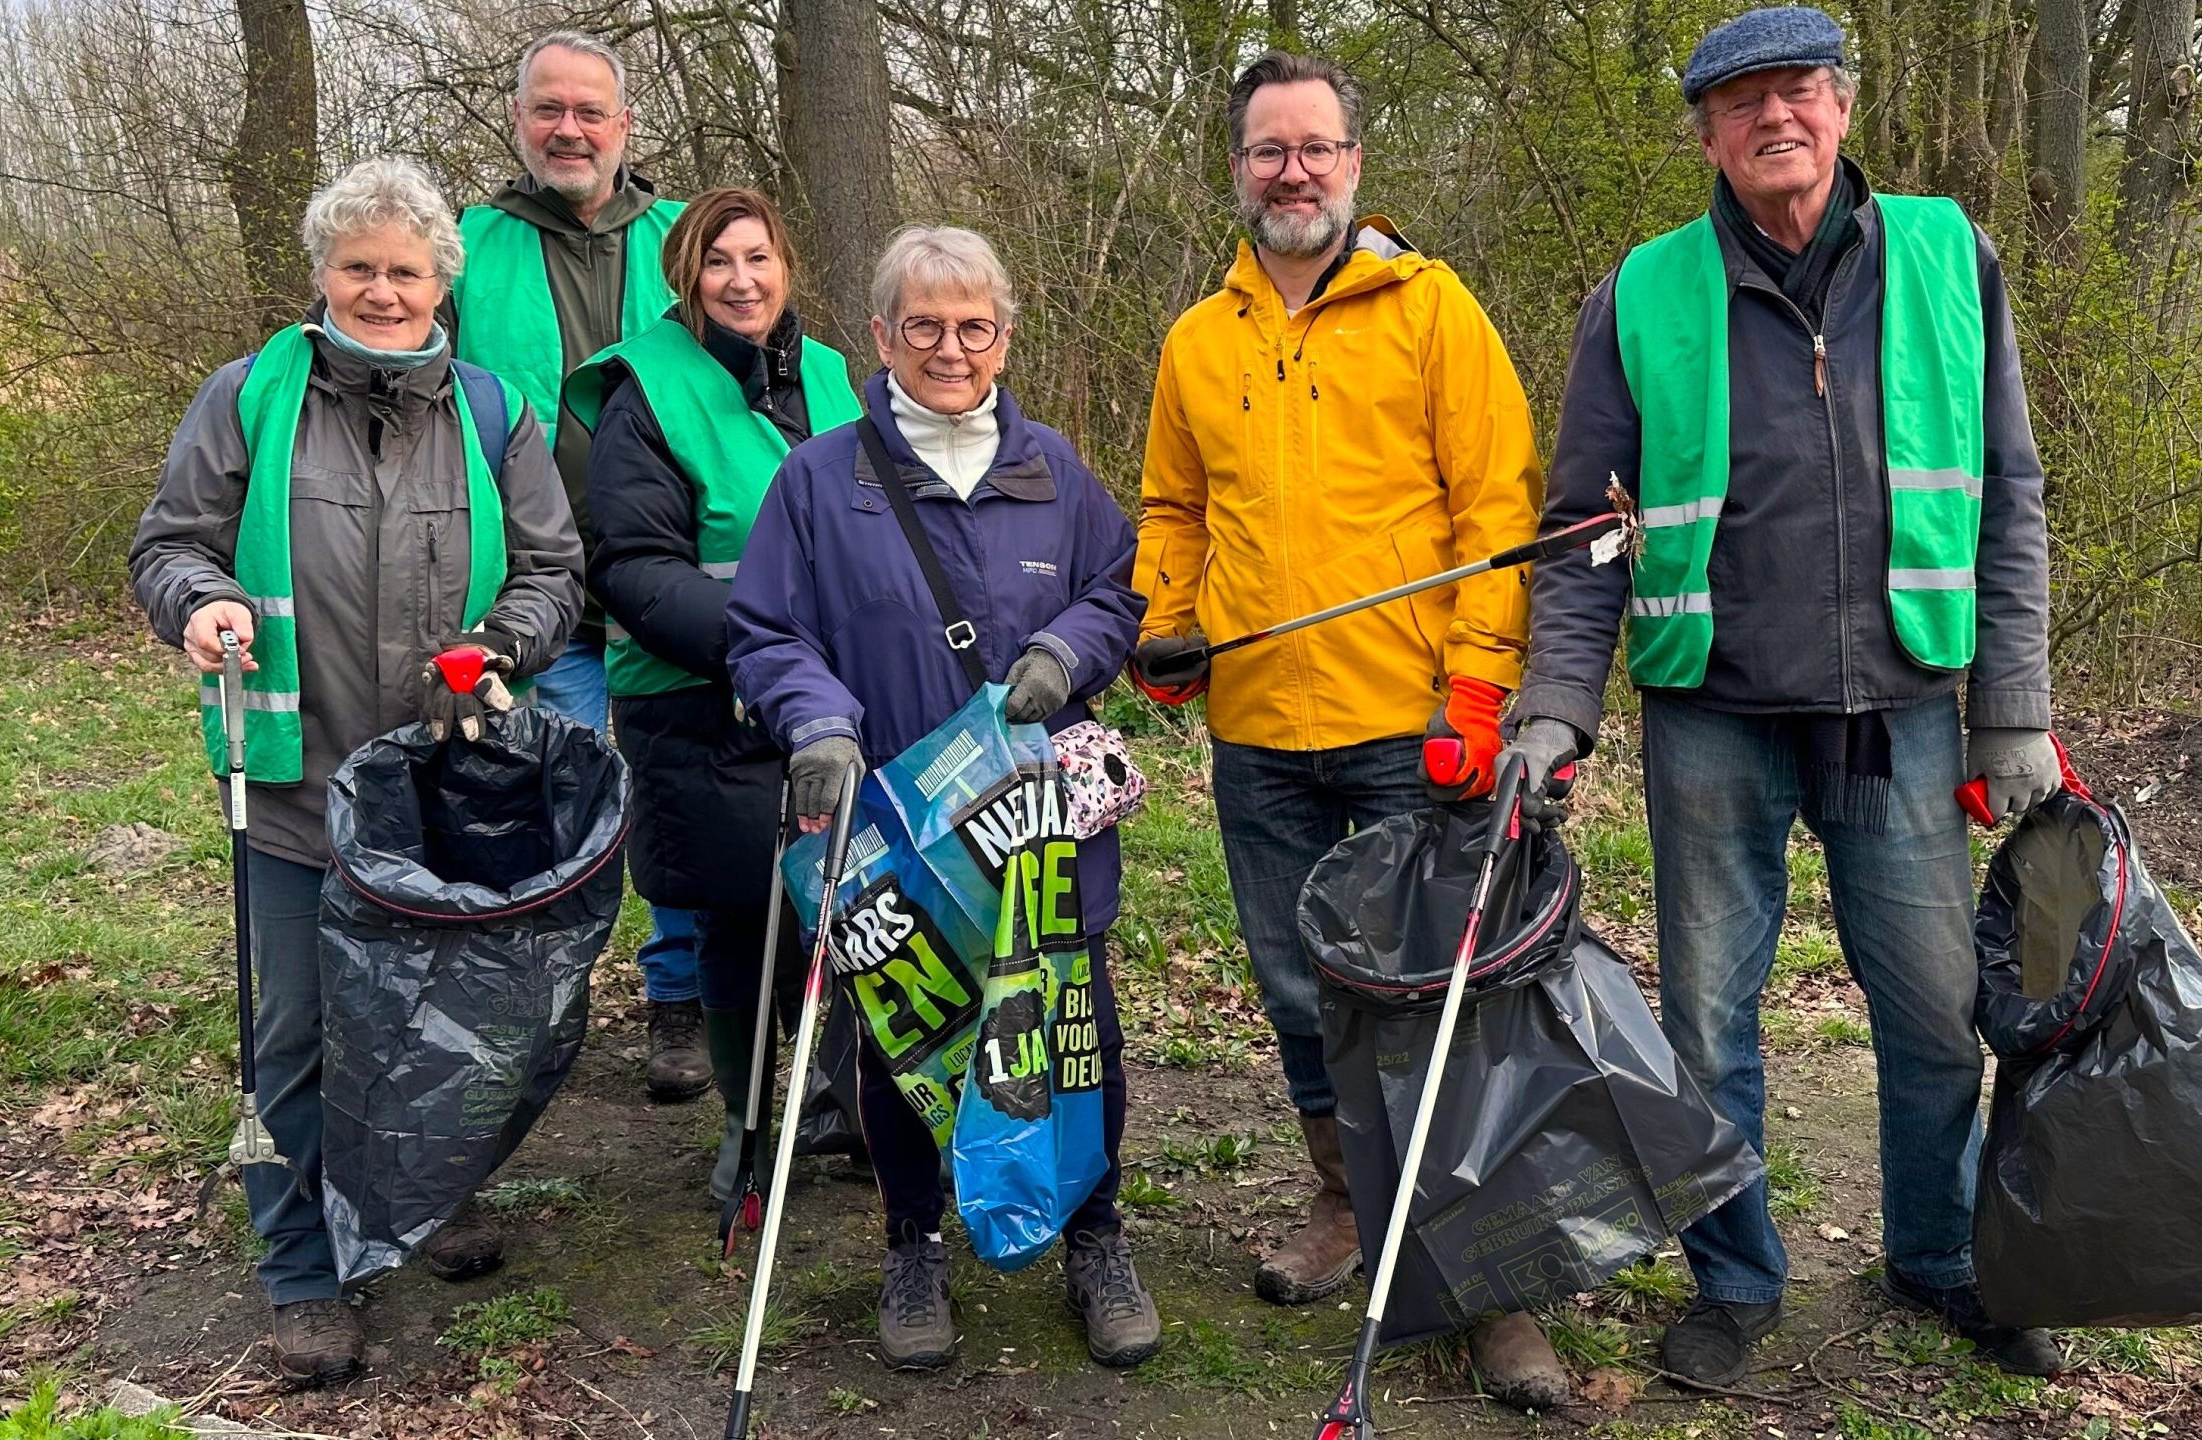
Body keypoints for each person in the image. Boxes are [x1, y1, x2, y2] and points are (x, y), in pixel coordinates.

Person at [1498, 5, 2064, 1390]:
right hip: (1713, 714)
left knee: (1937, 1012)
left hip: (1906, 706)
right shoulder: (1641, 292)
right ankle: (1737, 1278)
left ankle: (1940, 1258)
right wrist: (1555, 704)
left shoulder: (1947, 255)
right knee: (1706, 1023)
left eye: (1799, 91)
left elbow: (2011, 495)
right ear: (1706, 132)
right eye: (1742, 102)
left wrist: (2014, 703)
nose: (1776, 120)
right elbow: (1585, 532)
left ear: (1845, 107)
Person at [1124, 50, 1566, 1410]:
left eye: (1316, 147)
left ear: (1357, 164)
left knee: (1440, 1006)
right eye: (1269, 150)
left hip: (1409, 731)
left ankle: (1485, 1280)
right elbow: (1173, 513)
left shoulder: (1433, 312)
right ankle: (1349, 1207)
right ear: (1239, 169)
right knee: (1300, 988)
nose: (1293, 171)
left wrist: (1477, 695)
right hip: (1261, 735)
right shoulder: (1202, 338)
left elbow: (1500, 514)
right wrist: (1165, 627)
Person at [131, 158, 582, 1382]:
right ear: (323, 276)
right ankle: (300, 1268)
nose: (383, 291)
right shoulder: (250, 398)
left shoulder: (496, 414)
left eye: (406, 270)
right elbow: (170, 543)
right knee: (299, 1030)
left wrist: (505, 646)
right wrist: (203, 602)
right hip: (292, 778)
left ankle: (425, 1199)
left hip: (447, 780)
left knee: (446, 1017)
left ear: (445, 278)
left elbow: (553, 572)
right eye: (360, 268)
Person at [727, 225, 1158, 1373]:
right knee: (902, 1044)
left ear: (1006, 335)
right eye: (925, 326)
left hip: (1036, 832)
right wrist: (814, 721)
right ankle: (913, 1243)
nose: (952, 349)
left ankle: (1093, 1237)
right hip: (896, 833)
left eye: (975, 327)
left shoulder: (1057, 471)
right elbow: (768, 631)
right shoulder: (820, 480)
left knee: (1074, 1035)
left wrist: (1070, 652)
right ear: (880, 335)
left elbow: (1118, 592)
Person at [561, 188, 863, 1204]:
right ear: (685, 277)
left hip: (830, 692)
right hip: (701, 693)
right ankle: (746, 1125)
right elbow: (635, 565)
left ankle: (848, 1107)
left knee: (844, 907)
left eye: (758, 258)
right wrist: (766, 643)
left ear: (787, 266)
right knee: (741, 915)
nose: (742, 281)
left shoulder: (829, 376)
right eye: (718, 262)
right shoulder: (641, 388)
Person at [447, 29, 710, 1104]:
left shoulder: (682, 240)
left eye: (588, 112)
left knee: (675, 800)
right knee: (544, 806)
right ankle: (536, 1011)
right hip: (530, 593)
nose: (569, 128)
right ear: (520, 121)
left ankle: (680, 1003)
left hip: (668, 586)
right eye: (548, 109)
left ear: (623, 127)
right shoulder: (469, 243)